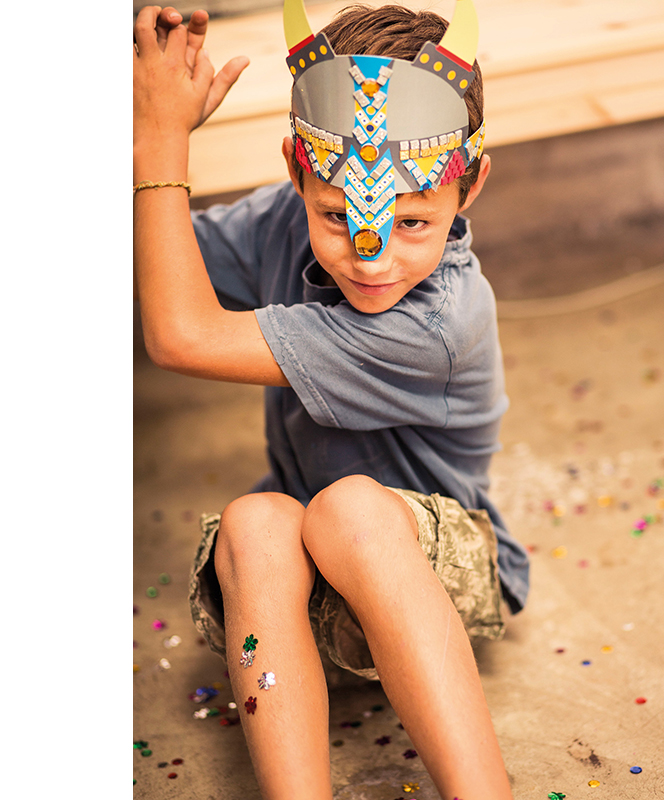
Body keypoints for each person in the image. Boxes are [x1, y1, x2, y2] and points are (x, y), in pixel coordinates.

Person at [133, 3, 529, 798]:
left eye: (411, 221)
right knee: (255, 518)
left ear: (470, 185)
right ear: (297, 172)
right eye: (335, 215)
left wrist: (162, 143)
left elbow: (179, 336)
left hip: (439, 577)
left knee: (346, 506)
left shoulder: (438, 322)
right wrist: (142, 129)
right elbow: (153, 258)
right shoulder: (280, 219)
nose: (371, 258)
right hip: (303, 598)